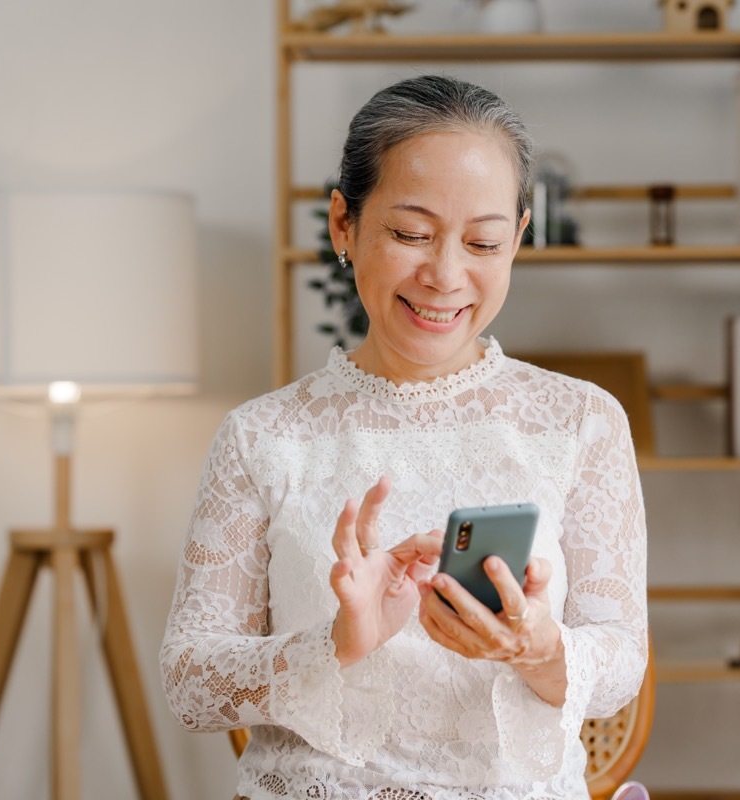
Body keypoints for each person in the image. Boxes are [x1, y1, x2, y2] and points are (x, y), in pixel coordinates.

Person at [160, 73, 648, 800]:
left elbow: (619, 664)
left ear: (517, 238)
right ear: (343, 226)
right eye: (411, 234)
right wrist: (336, 646)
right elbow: (189, 681)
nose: (446, 276)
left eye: (482, 241)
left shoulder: (582, 422)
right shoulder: (263, 436)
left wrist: (537, 647)